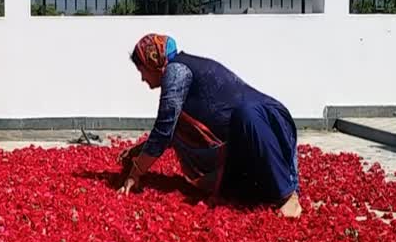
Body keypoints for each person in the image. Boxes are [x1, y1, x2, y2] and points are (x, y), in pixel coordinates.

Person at [118, 34, 302, 218]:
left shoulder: (176, 71)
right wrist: (137, 152)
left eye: (141, 70)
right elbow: (171, 130)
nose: (142, 78)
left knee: (247, 113)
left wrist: (135, 173)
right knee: (232, 190)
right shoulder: (178, 71)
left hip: (266, 127)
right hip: (242, 145)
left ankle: (288, 197)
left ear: (153, 62)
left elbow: (164, 129)